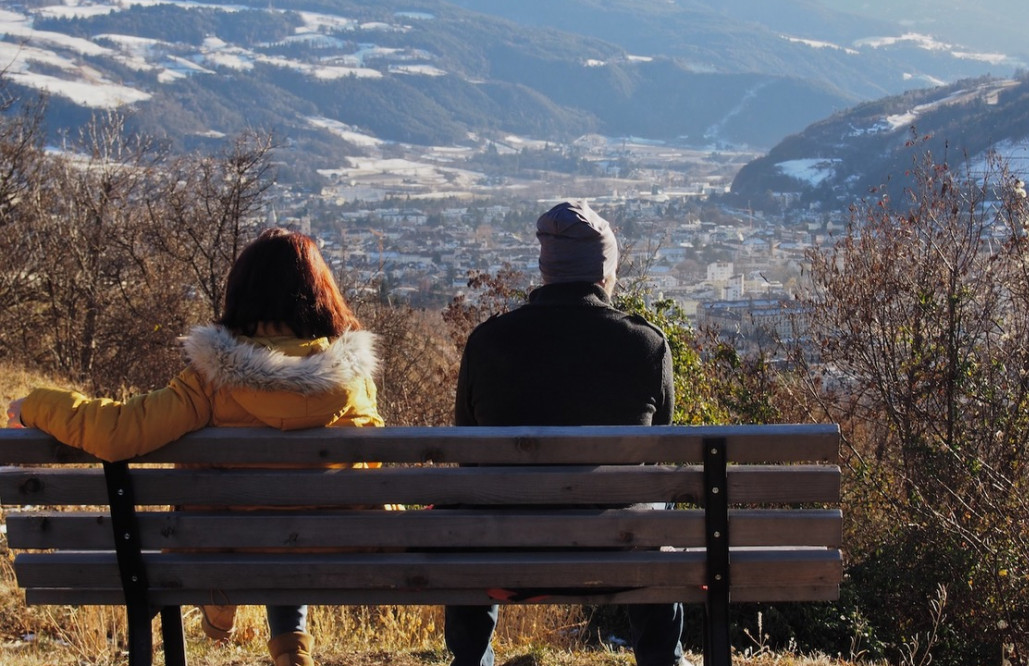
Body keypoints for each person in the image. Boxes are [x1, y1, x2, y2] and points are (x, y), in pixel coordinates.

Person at [6, 227, 384, 666]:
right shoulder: (353, 382)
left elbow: (117, 431)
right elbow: (371, 471)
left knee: (235, 511)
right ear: (321, 294)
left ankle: (219, 602)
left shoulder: (211, 381)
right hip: (333, 551)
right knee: (293, 520)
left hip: (223, 550)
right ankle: (289, 647)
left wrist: (36, 404)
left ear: (241, 293)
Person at [447, 200, 685, 666]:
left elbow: (467, 455)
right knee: (659, 500)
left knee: (470, 499)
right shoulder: (646, 345)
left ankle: (471, 658)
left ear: (547, 270)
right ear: (604, 273)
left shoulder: (488, 342)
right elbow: (659, 451)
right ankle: (662, 658)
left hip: (506, 550)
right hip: (616, 551)